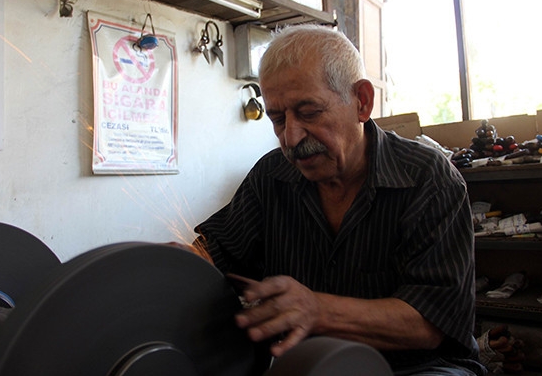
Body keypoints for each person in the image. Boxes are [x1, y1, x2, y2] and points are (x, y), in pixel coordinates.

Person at [192, 24, 486, 376]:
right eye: (277, 118)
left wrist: (318, 310)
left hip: (419, 367)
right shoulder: (270, 178)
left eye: (309, 112)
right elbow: (216, 251)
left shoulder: (427, 178)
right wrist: (179, 261)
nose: (291, 136)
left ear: (361, 102)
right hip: (311, 366)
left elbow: (433, 322)